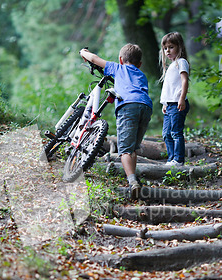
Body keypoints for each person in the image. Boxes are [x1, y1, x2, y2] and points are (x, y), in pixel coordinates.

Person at [79, 44, 153, 199]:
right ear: (139, 64)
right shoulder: (142, 75)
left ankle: (132, 182)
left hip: (128, 106)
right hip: (145, 107)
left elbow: (95, 59)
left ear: (120, 60)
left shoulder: (118, 68)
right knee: (132, 147)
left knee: (125, 149)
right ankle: (133, 178)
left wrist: (84, 52)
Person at [160, 31, 190, 166]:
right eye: (165, 48)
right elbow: (169, 87)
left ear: (179, 47)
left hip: (178, 103)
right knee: (166, 133)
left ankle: (178, 160)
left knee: (176, 132)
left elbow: (184, 81)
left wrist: (182, 99)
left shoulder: (181, 62)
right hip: (170, 104)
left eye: (171, 47)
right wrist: (165, 103)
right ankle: (171, 158)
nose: (168, 50)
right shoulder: (171, 65)